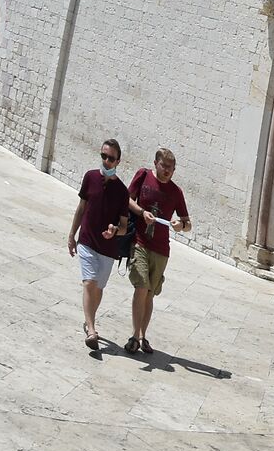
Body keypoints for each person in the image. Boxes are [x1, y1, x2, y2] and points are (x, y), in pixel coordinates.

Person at [68, 138, 136, 353]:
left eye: (111, 158)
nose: (106, 161)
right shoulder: (89, 177)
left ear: (118, 161)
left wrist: (115, 231)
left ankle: (89, 321)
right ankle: (91, 329)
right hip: (87, 240)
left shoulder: (122, 192)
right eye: (103, 156)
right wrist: (72, 235)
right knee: (89, 283)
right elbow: (81, 208)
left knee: (98, 288)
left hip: (108, 248)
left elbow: (125, 226)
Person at [124, 148, 191, 358]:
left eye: (171, 168)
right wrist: (141, 212)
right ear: (156, 163)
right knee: (141, 287)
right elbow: (127, 199)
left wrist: (180, 225)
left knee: (150, 293)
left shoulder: (176, 192)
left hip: (161, 249)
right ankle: (134, 336)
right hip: (140, 242)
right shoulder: (143, 176)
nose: (167, 171)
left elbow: (187, 223)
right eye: (164, 166)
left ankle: (143, 336)